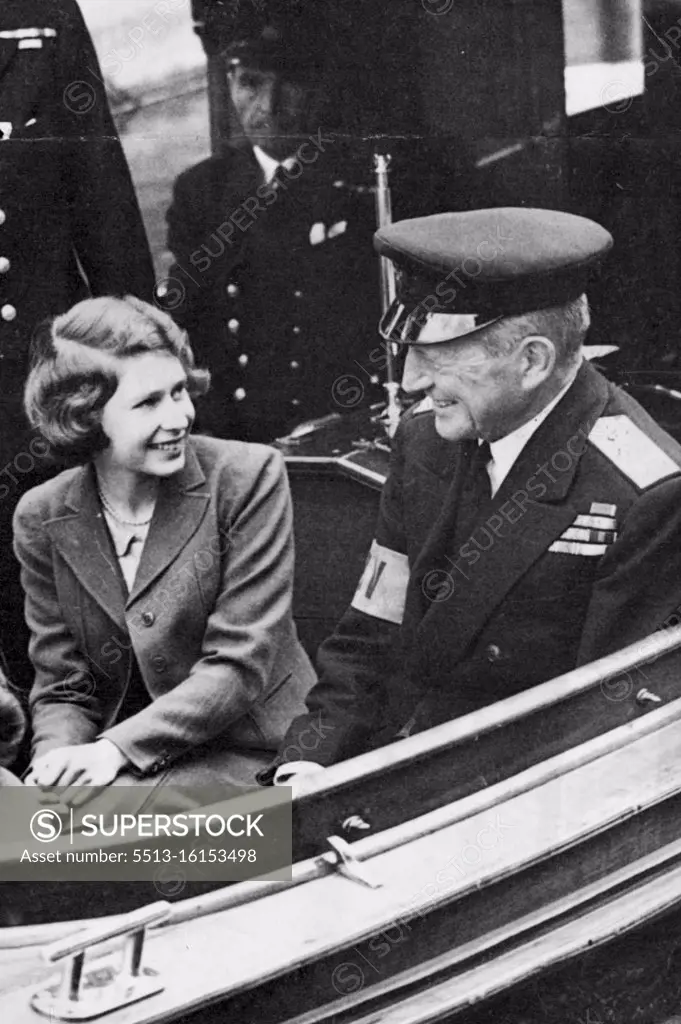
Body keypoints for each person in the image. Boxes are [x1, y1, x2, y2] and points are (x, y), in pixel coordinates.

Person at [264, 207, 681, 783]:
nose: (410, 381)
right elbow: (370, 634)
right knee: (140, 856)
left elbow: (598, 728)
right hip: (381, 766)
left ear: (532, 360)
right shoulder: (425, 440)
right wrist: (306, 762)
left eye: (436, 358)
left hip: (499, 800)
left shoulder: (646, 496)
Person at [13, 297, 315, 792]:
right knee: (31, 834)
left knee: (81, 851)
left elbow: (239, 665)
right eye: (149, 403)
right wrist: (55, 763)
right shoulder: (42, 515)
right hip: (125, 760)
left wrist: (112, 751)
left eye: (179, 391)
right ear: (85, 415)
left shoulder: (247, 478)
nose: (179, 417)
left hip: (253, 749)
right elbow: (66, 687)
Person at [160, 2, 477, 443]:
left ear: (318, 89)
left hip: (341, 428)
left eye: (287, 85)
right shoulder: (202, 193)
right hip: (239, 435)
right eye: (250, 84)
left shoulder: (371, 182)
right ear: (229, 83)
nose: (267, 106)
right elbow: (188, 322)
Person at [0, 0, 155, 687]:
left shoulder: (40, 15)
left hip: (39, 393)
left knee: (69, 612)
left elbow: (104, 201)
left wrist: (138, 370)